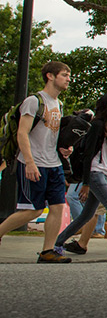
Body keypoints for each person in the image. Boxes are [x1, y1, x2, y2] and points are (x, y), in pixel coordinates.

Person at [0, 62, 73, 262]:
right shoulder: (34, 101)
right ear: (50, 76)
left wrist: (64, 149)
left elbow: (50, 135)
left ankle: (47, 251)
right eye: (65, 75)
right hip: (34, 162)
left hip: (53, 163)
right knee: (34, 210)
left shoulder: (58, 104)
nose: (68, 79)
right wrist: (30, 163)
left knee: (57, 207)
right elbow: (22, 133)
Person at [52, 93, 107, 262]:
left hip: (104, 173)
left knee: (86, 215)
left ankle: (58, 243)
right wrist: (85, 183)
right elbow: (88, 154)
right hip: (94, 173)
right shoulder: (97, 126)